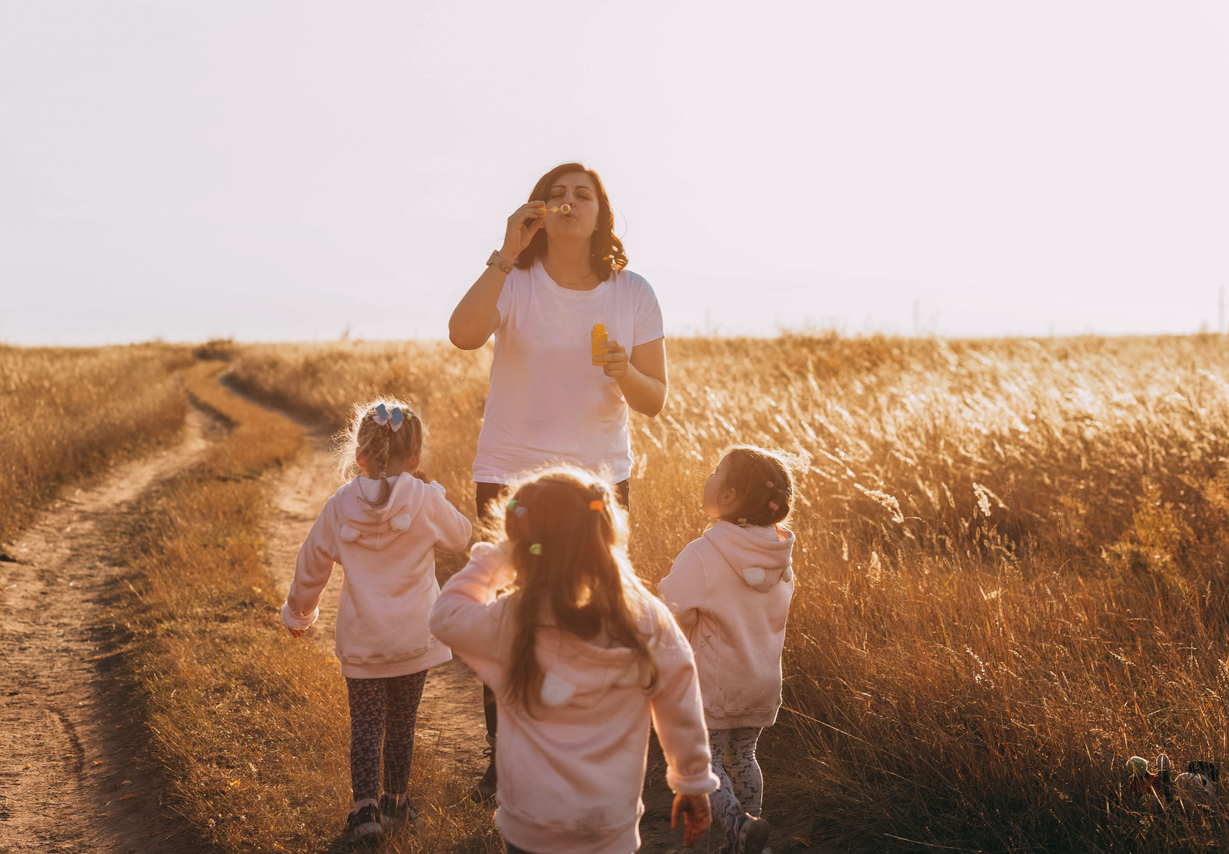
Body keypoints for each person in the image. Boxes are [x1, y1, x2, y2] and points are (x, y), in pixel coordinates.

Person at [449, 162, 669, 797]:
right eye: (556, 194)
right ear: (537, 211)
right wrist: (505, 252)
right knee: (511, 615)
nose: (569, 202)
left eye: (583, 194)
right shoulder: (515, 281)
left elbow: (653, 400)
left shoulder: (634, 294)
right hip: (511, 476)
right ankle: (507, 761)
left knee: (596, 612)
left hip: (598, 481)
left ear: (601, 211)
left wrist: (624, 372)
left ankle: (591, 754)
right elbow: (463, 334)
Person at [429, 467, 718, 854]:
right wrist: (692, 781)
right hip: (608, 822)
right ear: (603, 532)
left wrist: (496, 557)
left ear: (520, 544)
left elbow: (445, 616)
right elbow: (680, 700)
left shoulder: (514, 620)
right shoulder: (643, 619)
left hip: (532, 821)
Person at [281, 400, 472, 841]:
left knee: (367, 728)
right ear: (417, 458)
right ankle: (397, 804)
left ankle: (364, 813)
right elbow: (461, 536)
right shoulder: (424, 500)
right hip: (414, 637)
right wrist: (434, 491)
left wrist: (299, 612)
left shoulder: (340, 505)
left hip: (363, 639)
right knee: (402, 726)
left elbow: (313, 562)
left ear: (359, 455)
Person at [656, 446, 797, 854]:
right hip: (761, 681)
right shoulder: (779, 560)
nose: (708, 475)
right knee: (744, 756)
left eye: (715, 470)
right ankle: (743, 838)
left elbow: (671, 611)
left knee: (706, 762)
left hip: (715, 684)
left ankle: (737, 825)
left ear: (731, 496)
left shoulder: (704, 554)